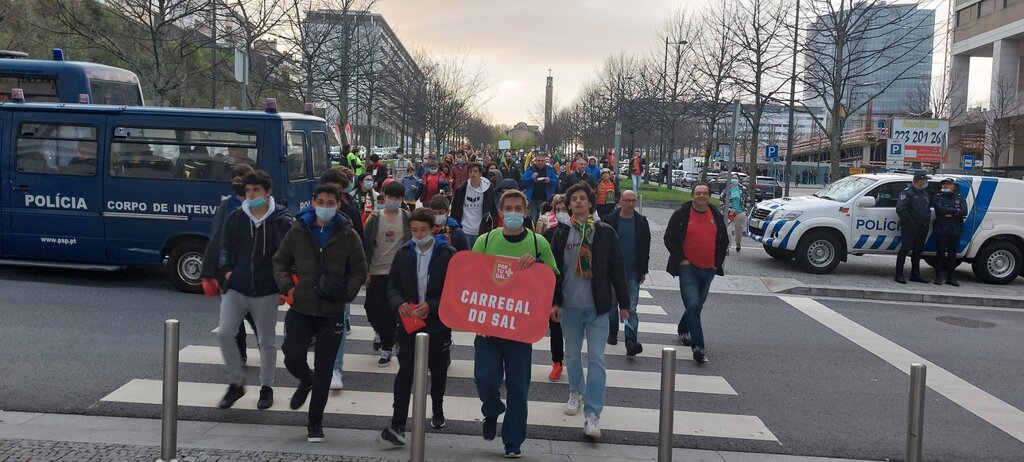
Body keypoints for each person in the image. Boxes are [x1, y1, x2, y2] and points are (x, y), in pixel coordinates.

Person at [274, 184, 367, 443]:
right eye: (321, 202)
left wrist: (346, 294)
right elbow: (280, 261)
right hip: (301, 307)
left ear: (338, 204)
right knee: (292, 356)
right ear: (313, 202)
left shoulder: (348, 235)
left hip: (331, 311)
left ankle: (315, 421)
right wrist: (288, 287)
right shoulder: (298, 230)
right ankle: (306, 380)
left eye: (330, 203)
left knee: (325, 368)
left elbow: (359, 269)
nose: (325, 207)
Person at [473, 189, 558, 459]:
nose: (512, 213)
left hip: (521, 329)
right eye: (507, 208)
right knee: (485, 379)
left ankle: (513, 440)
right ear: (500, 213)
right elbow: (471, 278)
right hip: (488, 327)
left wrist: (538, 265)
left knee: (519, 389)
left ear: (526, 212)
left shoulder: (538, 243)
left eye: (517, 208)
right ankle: (491, 409)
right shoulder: (485, 240)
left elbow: (553, 278)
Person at [547, 183, 628, 439]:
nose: (579, 202)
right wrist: (553, 302)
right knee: (571, 355)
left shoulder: (604, 232)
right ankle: (576, 391)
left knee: (596, 359)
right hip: (569, 306)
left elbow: (617, 268)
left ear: (591, 203)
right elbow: (553, 270)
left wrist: (624, 304)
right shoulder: (560, 233)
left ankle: (593, 414)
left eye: (583, 198)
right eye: (574, 199)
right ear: (569, 205)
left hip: (597, 307)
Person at [215, 170, 293, 411]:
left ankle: (266, 387)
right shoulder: (237, 217)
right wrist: (227, 271)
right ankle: (236, 383)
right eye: (248, 191)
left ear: (268, 192)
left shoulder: (282, 221)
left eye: (256, 190)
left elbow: (291, 256)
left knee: (266, 341)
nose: (251, 195)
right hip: (236, 287)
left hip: (267, 290)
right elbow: (224, 246)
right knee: (225, 333)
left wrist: (284, 287)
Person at [379, 208, 457, 446]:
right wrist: (399, 303)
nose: (419, 234)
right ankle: (397, 424)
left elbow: (454, 289)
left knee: (438, 370)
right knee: (405, 371)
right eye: (414, 230)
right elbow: (392, 285)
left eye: (423, 230)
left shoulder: (447, 254)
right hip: (409, 323)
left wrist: (431, 306)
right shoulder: (404, 252)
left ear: (433, 229)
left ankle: (438, 408)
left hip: (438, 324)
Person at [663, 182, 728, 363]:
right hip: (688, 268)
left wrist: (716, 264)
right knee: (693, 304)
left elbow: (723, 241)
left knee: (696, 305)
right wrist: (681, 259)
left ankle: (683, 328)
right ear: (692, 196)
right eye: (698, 193)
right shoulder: (681, 215)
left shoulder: (715, 215)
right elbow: (669, 238)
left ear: (709, 196)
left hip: (709, 269)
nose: (701, 196)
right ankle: (698, 346)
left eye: (705, 193)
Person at [201, 164, 258, 367]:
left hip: (253, 269)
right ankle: (240, 354)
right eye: (235, 179)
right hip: (230, 270)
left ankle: (264, 347)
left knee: (256, 316)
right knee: (234, 319)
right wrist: (210, 271)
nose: (238, 183)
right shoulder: (227, 204)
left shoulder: (260, 203)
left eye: (242, 180)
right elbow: (217, 237)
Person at [363, 182, 411, 366]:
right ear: (384, 196)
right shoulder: (375, 218)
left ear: (402, 199)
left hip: (397, 273)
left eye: (397, 198)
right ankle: (381, 333)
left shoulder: (406, 217)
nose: (394, 201)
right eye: (391, 197)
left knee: (390, 313)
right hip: (376, 271)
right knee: (371, 309)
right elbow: (366, 245)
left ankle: (387, 347)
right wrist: (366, 270)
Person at [318, 169, 358, 391]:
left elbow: (359, 247)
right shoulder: (305, 218)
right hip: (313, 281)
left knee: (337, 326)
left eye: (339, 192)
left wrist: (353, 282)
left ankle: (335, 368)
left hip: (339, 280)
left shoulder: (349, 211)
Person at [603, 190, 650, 356]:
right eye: (628, 200)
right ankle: (613, 330)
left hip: (632, 271)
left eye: (633, 201)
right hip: (612, 271)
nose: (631, 204)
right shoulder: (610, 220)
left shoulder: (641, 222)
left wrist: (643, 269)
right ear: (620, 202)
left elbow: (645, 247)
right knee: (612, 304)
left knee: (631, 308)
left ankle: (631, 341)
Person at [895, 173, 932, 284]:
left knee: (918, 251)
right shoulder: (907, 193)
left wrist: (927, 220)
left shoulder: (924, 193)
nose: (926, 182)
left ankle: (915, 275)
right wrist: (911, 224)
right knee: (905, 249)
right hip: (910, 227)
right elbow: (901, 209)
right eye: (925, 180)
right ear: (920, 180)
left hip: (922, 226)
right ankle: (899, 274)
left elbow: (927, 209)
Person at [450, 162, 495, 248]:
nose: (473, 174)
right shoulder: (461, 190)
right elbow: (454, 209)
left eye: (475, 171)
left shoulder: (488, 189)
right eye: (470, 171)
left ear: (480, 173)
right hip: (464, 229)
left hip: (481, 230)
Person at [931, 178, 966, 286]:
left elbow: (964, 211)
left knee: (952, 255)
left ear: (953, 186)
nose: (945, 186)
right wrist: (955, 210)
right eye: (944, 184)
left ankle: (950, 278)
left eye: (948, 184)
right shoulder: (938, 197)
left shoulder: (959, 198)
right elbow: (940, 210)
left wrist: (951, 213)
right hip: (942, 229)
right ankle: (938, 277)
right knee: (940, 253)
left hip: (955, 229)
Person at [521, 153, 560, 223]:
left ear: (545, 161)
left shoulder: (549, 169)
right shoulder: (530, 169)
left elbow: (556, 181)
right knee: (534, 219)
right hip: (533, 199)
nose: (540, 162)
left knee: (545, 219)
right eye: (538, 161)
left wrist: (550, 181)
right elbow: (522, 182)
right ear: (535, 161)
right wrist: (531, 178)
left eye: (542, 161)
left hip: (546, 199)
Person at [719, 174, 750, 254]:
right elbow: (721, 199)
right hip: (729, 213)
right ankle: (727, 247)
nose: (734, 179)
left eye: (736, 178)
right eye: (732, 178)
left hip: (739, 213)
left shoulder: (743, 189)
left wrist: (745, 210)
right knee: (727, 231)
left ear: (738, 179)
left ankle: (738, 243)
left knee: (738, 232)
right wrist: (725, 208)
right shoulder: (727, 189)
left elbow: (748, 200)